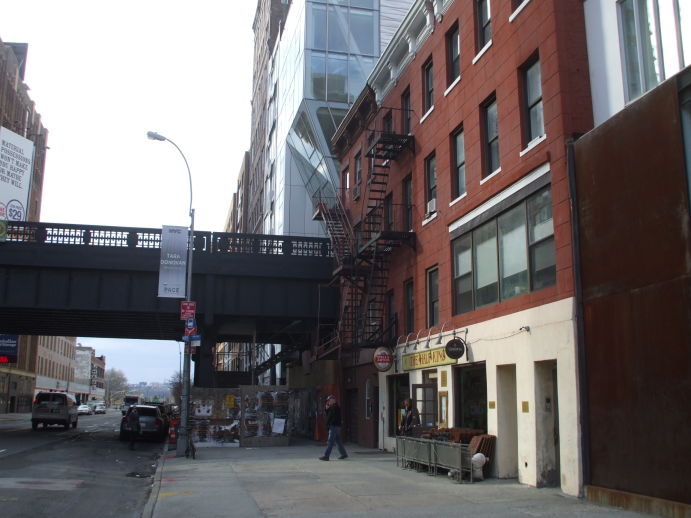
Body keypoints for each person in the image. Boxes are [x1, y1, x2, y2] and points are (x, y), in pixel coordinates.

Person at [319, 395, 348, 461]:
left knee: (330, 442)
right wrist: (326, 409)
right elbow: (329, 415)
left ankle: (326, 456)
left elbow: (332, 418)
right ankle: (344, 454)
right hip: (336, 427)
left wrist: (330, 425)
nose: (328, 402)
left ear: (333, 400)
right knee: (338, 441)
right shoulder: (333, 407)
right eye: (328, 401)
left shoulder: (335, 407)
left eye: (329, 400)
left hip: (334, 427)